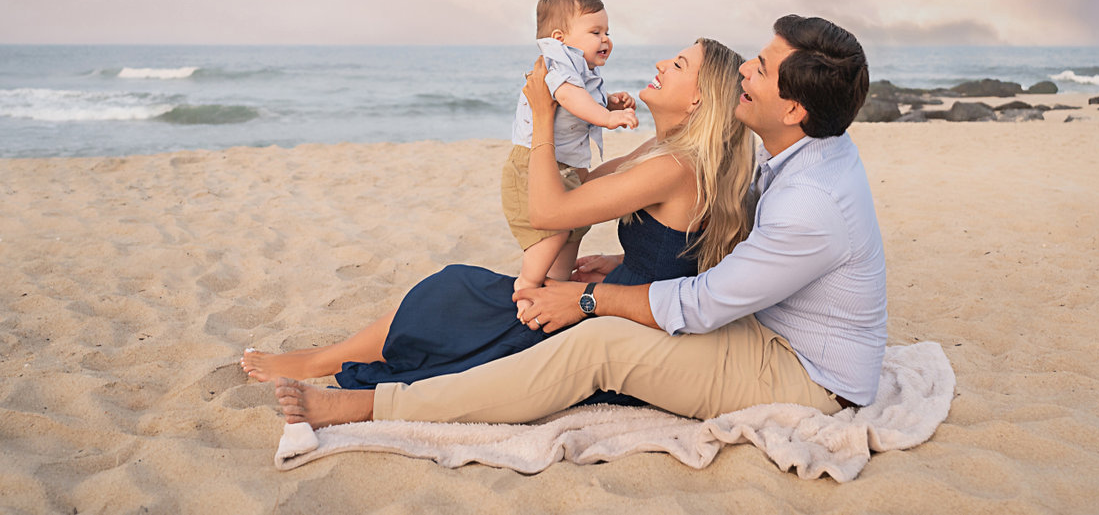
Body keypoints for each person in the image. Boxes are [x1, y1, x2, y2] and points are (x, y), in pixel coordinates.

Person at [274, 14, 887, 429]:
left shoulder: (813, 202)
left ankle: (375, 407)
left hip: (807, 376)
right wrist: (618, 268)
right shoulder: (793, 151)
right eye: (751, 60)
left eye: (760, 68)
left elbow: (704, 302)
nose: (745, 75)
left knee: (594, 343)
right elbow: (708, 255)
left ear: (795, 108)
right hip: (761, 329)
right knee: (504, 300)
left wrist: (592, 299)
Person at [242, 38, 755, 388]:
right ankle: (334, 354)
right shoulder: (660, 156)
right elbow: (589, 196)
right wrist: (621, 256)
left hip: (617, 323)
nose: (663, 65)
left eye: (680, 66)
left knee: (455, 289)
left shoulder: (672, 165)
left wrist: (542, 119)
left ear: (698, 102)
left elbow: (549, 210)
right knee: (465, 292)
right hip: (621, 293)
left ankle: (320, 361)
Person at [507, 0, 640, 319]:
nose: (605, 39)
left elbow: (584, 99)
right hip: (537, 164)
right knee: (556, 230)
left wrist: (607, 101)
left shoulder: (579, 67)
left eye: (607, 32)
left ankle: (557, 283)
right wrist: (607, 117)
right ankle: (527, 283)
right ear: (559, 37)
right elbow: (569, 99)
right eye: (595, 32)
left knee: (575, 230)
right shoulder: (556, 63)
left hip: (568, 165)